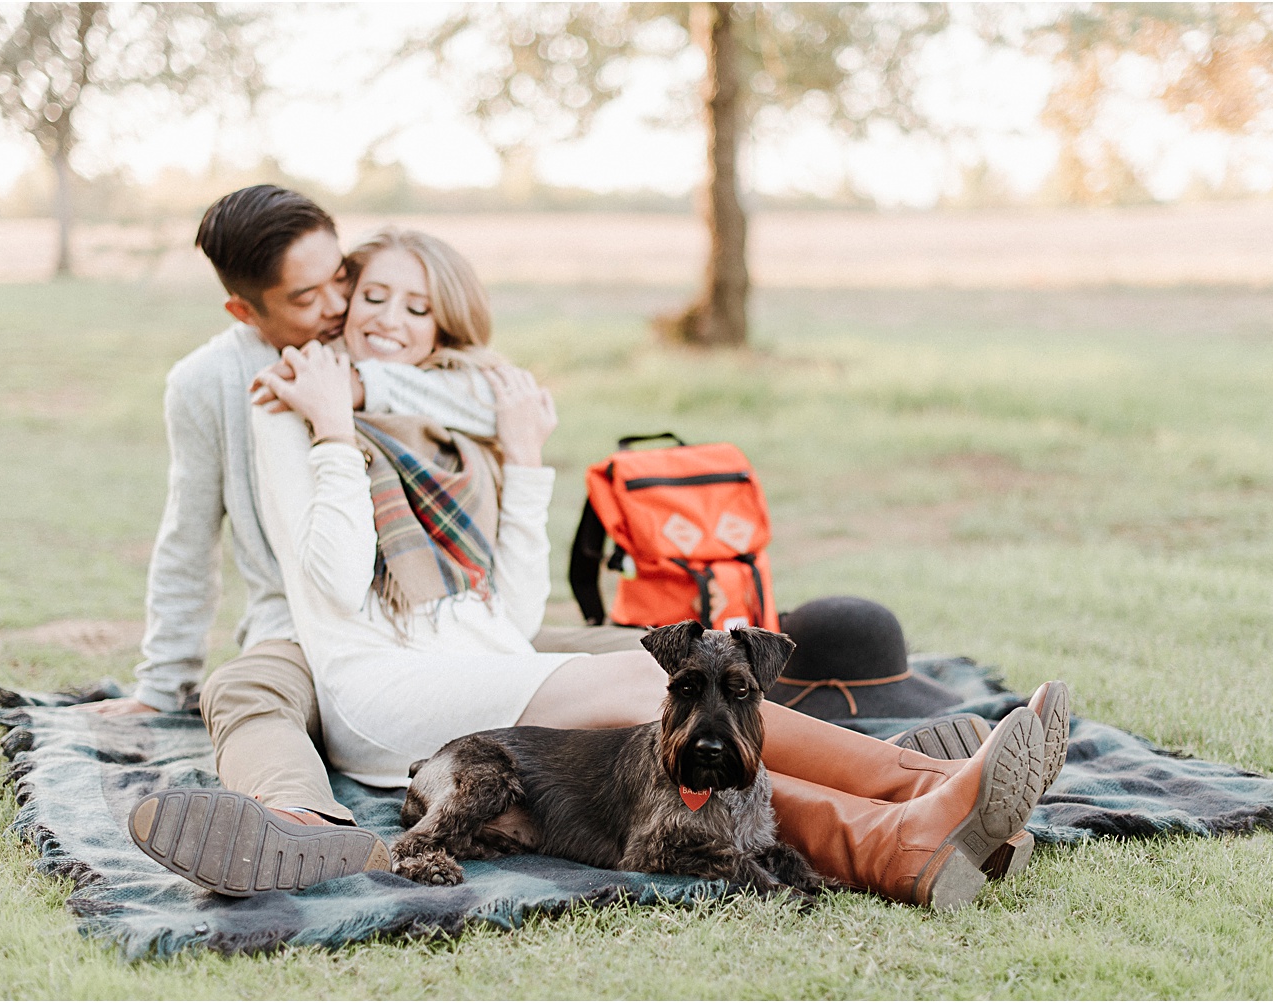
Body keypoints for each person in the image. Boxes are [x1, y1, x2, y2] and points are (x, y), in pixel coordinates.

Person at [167, 225, 1069, 910]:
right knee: (648, 687)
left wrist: (522, 461)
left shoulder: (454, 431)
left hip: (478, 654)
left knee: (675, 702)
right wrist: (330, 431)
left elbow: (512, 605)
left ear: (441, 320)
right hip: (381, 681)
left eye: (417, 306)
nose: (392, 322)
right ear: (345, 300)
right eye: (376, 298)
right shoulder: (292, 401)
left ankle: (928, 812)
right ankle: (907, 811)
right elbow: (327, 581)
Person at [85, 187, 651, 880]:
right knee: (242, 689)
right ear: (246, 308)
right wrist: (161, 678)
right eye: (306, 296)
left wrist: (361, 391)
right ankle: (294, 822)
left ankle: (780, 690)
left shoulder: (385, 349)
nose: (334, 308)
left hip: (434, 616)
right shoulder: (211, 383)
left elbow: (490, 394)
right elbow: (186, 531)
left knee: (638, 651)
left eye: (340, 278)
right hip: (301, 623)